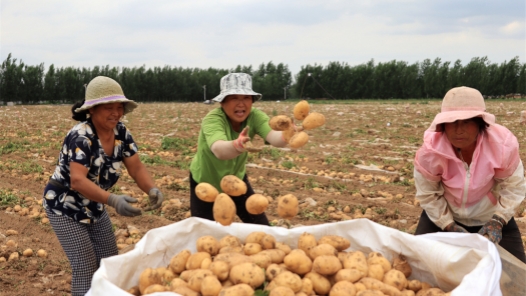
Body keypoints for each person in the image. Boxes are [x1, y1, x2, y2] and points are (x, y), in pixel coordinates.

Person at [42, 76, 164, 295]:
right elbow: (77, 180)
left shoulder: (121, 133)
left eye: (119, 107)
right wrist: (113, 200)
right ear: (93, 109)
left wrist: (151, 189)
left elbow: (136, 167)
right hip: (64, 206)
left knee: (109, 262)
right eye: (109, 107)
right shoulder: (81, 136)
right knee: (85, 266)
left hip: (94, 205)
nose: (116, 113)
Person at [413, 86, 526, 263]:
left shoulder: (502, 146)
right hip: (444, 216)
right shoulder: (431, 152)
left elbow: (514, 186)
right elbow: (428, 195)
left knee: (517, 277)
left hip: (491, 217)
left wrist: (498, 220)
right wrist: (448, 225)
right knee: (417, 264)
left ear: (480, 123)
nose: (459, 130)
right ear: (443, 125)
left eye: (467, 122)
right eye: (453, 122)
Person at [189, 73, 289, 225]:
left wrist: (289, 134)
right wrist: (237, 145)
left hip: (236, 181)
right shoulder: (213, 119)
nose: (241, 103)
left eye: (246, 98)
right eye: (234, 97)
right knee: (204, 232)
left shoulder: (255, 116)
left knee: (262, 228)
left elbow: (274, 137)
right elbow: (219, 150)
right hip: (205, 182)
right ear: (222, 102)